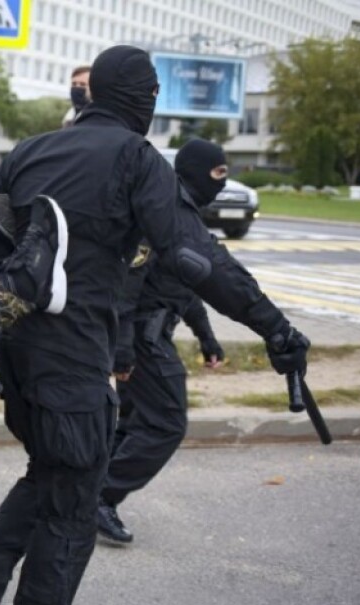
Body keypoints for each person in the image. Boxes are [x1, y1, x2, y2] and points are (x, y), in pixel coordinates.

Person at [0, 46, 311, 605]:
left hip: (15, 347)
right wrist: (274, 327)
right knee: (75, 500)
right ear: (144, 98)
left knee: (52, 471)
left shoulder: (34, 149)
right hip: (73, 355)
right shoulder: (138, 159)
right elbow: (198, 258)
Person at [96, 139, 232, 547]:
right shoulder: (160, 214)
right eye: (218, 173)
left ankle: (88, 494)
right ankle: (100, 497)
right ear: (196, 172)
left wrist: (206, 337)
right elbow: (126, 287)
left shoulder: (182, 214)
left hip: (150, 336)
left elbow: (185, 285)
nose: (223, 183)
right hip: (142, 342)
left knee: (131, 425)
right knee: (167, 423)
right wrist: (123, 349)